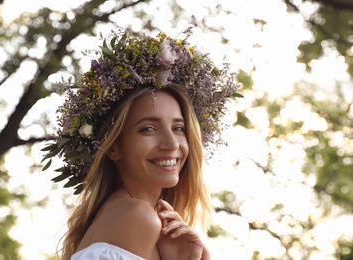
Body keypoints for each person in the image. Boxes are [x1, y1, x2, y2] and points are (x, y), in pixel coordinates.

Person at [42, 28, 239, 259]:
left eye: (178, 128)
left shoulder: (121, 214)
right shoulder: (137, 215)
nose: (171, 144)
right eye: (148, 129)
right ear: (113, 147)